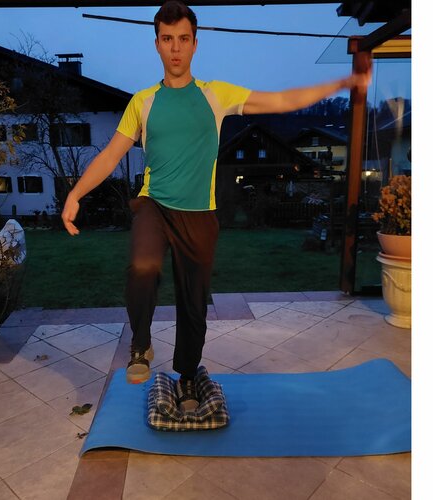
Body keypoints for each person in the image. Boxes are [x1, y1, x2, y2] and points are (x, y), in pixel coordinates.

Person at [61, 0, 370, 411]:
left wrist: (340, 84)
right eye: (167, 39)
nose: (175, 48)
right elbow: (109, 155)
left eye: (183, 39)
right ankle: (141, 344)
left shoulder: (215, 95)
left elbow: (281, 100)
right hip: (155, 205)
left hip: (199, 215)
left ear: (195, 43)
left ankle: (188, 377)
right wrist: (75, 193)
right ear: (157, 44)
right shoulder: (142, 102)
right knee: (142, 265)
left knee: (193, 303)